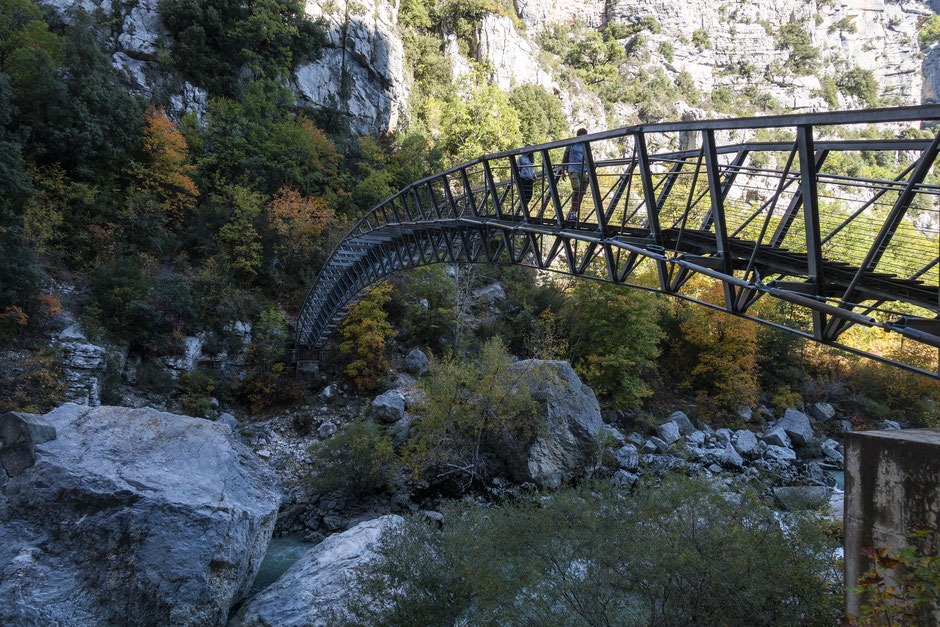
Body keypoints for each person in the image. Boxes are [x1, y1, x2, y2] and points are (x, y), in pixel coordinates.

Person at [562, 128, 588, 220]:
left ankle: (574, 212)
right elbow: (565, 156)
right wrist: (562, 170)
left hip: (583, 170)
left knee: (582, 192)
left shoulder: (585, 145)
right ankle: (573, 211)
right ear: (579, 135)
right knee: (577, 189)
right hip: (573, 169)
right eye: (583, 135)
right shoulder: (572, 144)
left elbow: (588, 157)